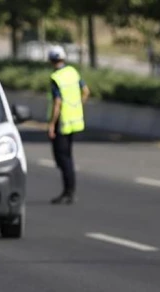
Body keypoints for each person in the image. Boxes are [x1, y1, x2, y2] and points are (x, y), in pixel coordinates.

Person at [47, 45, 90, 205]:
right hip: (75, 121)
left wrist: (51, 124)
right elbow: (86, 91)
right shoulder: (72, 72)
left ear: (51, 60)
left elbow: (57, 102)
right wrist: (77, 105)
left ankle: (68, 191)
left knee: (63, 159)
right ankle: (69, 190)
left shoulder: (56, 77)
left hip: (62, 122)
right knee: (68, 157)